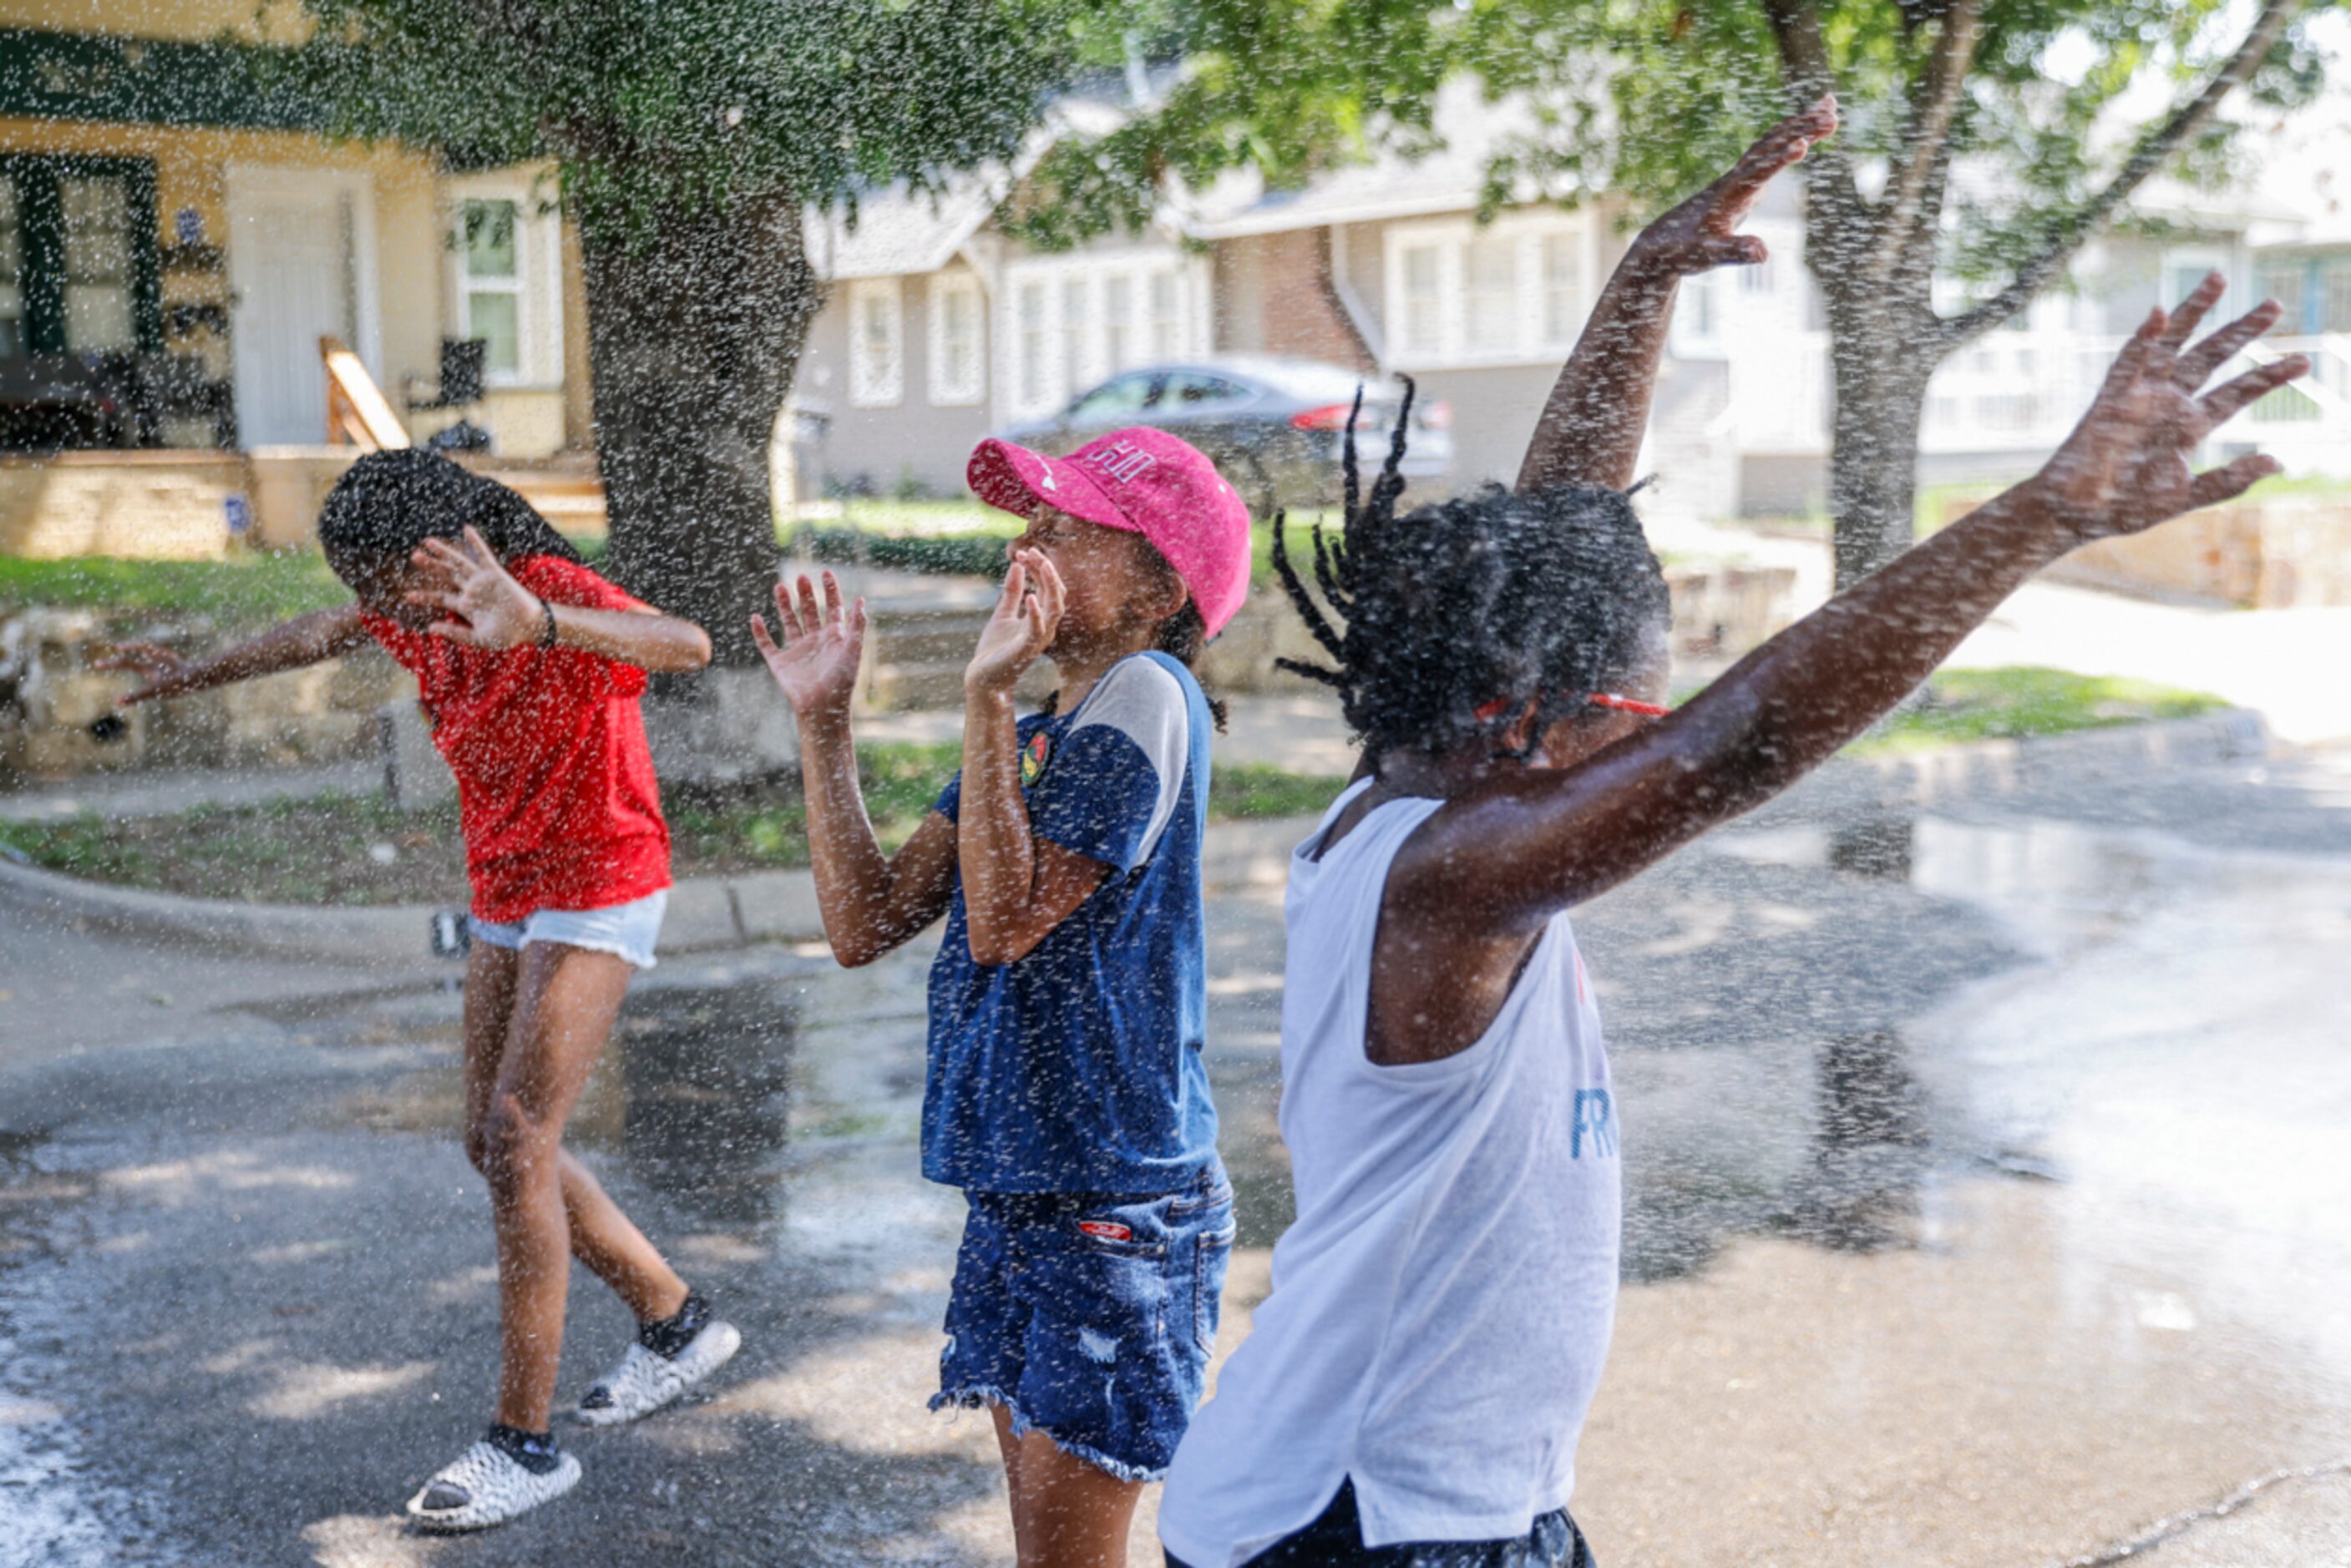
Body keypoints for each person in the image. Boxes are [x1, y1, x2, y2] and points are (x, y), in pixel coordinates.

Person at [1153, 234, 2307, 1568]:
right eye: (1634, 717)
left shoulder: (1412, 804)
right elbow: (1734, 745)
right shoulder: (1451, 878)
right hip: (1367, 1520)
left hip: (1413, 1499)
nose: (1643, 751)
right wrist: (2042, 515)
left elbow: (1556, 546)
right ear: (1522, 714)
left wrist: (1640, 291)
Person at [102, 450, 741, 1532]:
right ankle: (675, 1322)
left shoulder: (538, 586)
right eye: (369, 591)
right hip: (506, 877)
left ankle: (522, 1445)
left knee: (519, 1133)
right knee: (488, 1141)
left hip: (599, 873)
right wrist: (189, 674)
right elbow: (317, 632)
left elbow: (686, 643)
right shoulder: (405, 601)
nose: (380, 611)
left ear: (448, 552)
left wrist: (538, 618)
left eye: (388, 584)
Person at [752, 427, 1252, 1566]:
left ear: (1157, 586)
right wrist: (825, 724)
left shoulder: (1149, 693)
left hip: (1113, 1200)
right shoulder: (1033, 736)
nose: (1029, 543)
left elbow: (1009, 914)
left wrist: (985, 692)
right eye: (1031, 519)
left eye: (1067, 527)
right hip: (1029, 1189)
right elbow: (863, 922)